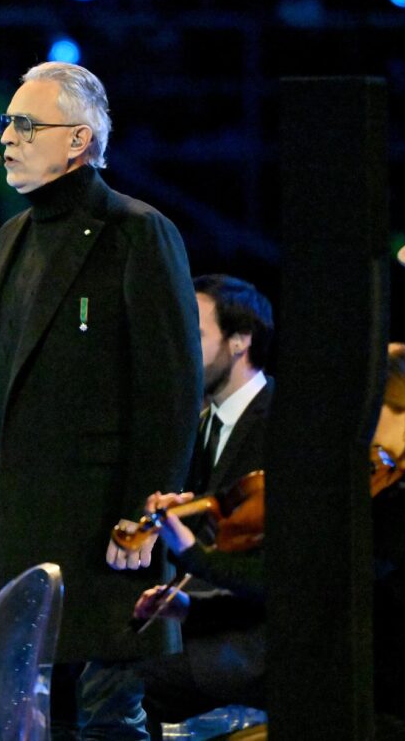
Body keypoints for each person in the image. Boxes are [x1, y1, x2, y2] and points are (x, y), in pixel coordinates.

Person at [0, 60, 202, 738]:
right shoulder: (10, 237)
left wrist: (143, 515)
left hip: (106, 536)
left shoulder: (137, 231)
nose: (8, 137)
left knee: (106, 722)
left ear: (77, 141)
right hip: (18, 528)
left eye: (25, 124)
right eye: (7, 123)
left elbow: (170, 389)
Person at [136, 343, 405, 739]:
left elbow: (300, 581)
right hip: (355, 718)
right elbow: (307, 604)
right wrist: (191, 609)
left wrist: (195, 554)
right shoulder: (385, 494)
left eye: (369, 406)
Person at [122, 274, 273, 733]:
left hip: (249, 642)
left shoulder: (281, 423)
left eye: (198, 331)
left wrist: (189, 544)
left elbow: (263, 563)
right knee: (82, 663)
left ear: (240, 341)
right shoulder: (194, 423)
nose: (183, 344)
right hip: (198, 626)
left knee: (120, 687)